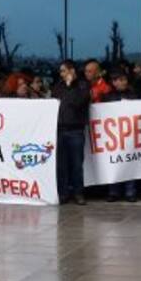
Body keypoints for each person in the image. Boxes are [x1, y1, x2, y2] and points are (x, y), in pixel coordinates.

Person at [52, 60, 90, 205]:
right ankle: (63, 193)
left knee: (76, 164)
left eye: (63, 70)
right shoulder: (58, 86)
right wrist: (65, 86)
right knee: (61, 165)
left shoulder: (83, 85)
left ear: (72, 70)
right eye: (60, 71)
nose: (61, 74)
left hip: (75, 130)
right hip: (60, 130)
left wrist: (69, 86)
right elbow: (54, 102)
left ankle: (78, 193)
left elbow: (78, 102)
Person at [102, 71, 139, 202]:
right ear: (114, 82)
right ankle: (114, 192)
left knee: (130, 162)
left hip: (130, 134)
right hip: (114, 135)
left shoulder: (133, 96)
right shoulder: (107, 97)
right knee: (114, 163)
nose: (124, 82)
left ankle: (130, 192)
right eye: (121, 80)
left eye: (125, 80)